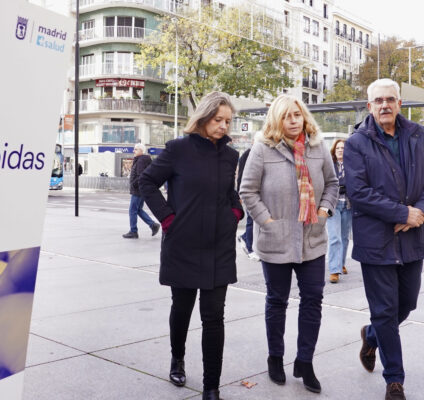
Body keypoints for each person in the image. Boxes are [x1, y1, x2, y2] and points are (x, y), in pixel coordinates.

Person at [139, 91, 244, 400]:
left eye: (227, 121)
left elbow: (230, 194)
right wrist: (168, 219)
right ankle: (177, 358)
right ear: (203, 117)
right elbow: (146, 183)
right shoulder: (177, 150)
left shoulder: (230, 156)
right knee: (182, 308)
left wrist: (234, 213)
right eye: (218, 120)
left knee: (214, 317)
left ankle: (212, 386)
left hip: (218, 247)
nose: (223, 126)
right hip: (183, 245)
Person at [344, 78, 424, 400]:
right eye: (378, 100)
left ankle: (371, 336)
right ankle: (394, 381)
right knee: (385, 311)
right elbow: (358, 193)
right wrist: (401, 214)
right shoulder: (357, 142)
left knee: (406, 305)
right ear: (369, 106)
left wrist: (420, 213)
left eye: (390, 99)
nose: (384, 105)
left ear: (399, 103)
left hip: (414, 238)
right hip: (377, 241)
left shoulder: (418, 134)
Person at [239, 94, 338, 394]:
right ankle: (275, 357)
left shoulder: (318, 147)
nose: (294, 120)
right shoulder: (262, 149)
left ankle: (305, 361)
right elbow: (247, 191)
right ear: (276, 120)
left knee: (313, 300)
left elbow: (332, 184)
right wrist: (267, 221)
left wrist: (323, 211)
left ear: (304, 116)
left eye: (297, 114)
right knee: (277, 301)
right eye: (287, 116)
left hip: (312, 238)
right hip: (275, 239)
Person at [327, 138, 352, 283]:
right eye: (338, 148)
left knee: (344, 237)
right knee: (334, 237)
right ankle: (334, 270)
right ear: (334, 150)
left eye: (343, 148)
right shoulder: (330, 165)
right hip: (333, 205)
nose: (340, 150)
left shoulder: (352, 164)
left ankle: (341, 263)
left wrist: (342, 185)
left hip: (348, 205)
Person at [123, 144, 160, 238]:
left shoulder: (141, 160)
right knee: (138, 209)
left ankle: (133, 231)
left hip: (138, 190)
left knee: (132, 210)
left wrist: (134, 184)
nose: (133, 151)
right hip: (141, 189)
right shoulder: (143, 160)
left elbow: (141, 175)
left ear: (141, 151)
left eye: (135, 149)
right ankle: (153, 225)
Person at [236, 132, 262, 262]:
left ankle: (245, 237)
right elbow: (241, 175)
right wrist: (239, 193)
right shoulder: (247, 155)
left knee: (257, 220)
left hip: (260, 193)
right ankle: (251, 248)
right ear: (254, 142)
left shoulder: (262, 154)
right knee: (251, 220)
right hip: (250, 193)